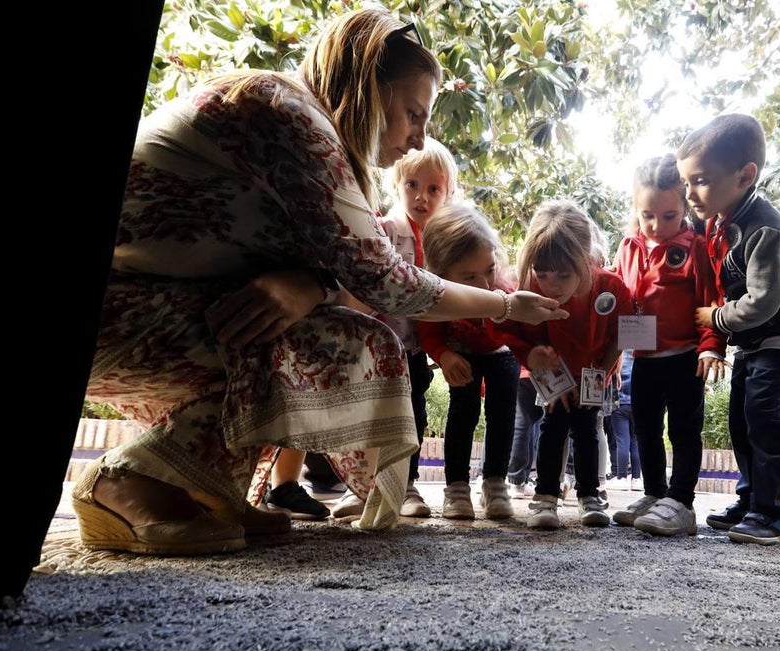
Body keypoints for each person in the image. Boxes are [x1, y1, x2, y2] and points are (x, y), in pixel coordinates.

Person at [74, 5, 566, 556]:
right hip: (120, 311)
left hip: (142, 306)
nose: (415, 140)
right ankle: (124, 482)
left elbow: (338, 272)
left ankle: (198, 486)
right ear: (365, 85)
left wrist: (313, 285)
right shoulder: (288, 113)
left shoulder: (306, 125)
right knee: (349, 344)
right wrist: (503, 304)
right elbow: (386, 283)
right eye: (412, 114)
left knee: (298, 321)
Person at [684, 113, 780, 545]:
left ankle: (777, 513)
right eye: (686, 183)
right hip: (755, 341)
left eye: (701, 181)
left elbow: (764, 300)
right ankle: (752, 500)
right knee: (743, 419)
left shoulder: (764, 228)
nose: (690, 194)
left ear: (746, 176)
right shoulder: (724, 222)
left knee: (768, 417)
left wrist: (717, 319)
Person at [500, 200, 636, 530]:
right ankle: (546, 496)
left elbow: (624, 330)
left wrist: (602, 371)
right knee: (553, 427)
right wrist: (544, 373)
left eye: (564, 275)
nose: (552, 285)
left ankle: (589, 495)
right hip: (553, 377)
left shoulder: (610, 287)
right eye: (542, 274)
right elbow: (512, 331)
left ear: (586, 261)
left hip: (592, 373)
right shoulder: (528, 288)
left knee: (588, 430)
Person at [612, 154, 727, 537]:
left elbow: (710, 301)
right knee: (645, 426)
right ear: (636, 208)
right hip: (642, 357)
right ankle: (654, 494)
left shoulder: (695, 246)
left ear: (682, 208)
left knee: (683, 429)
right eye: (647, 216)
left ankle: (681, 501)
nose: (657, 226)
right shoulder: (628, 248)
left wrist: (711, 345)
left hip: (684, 358)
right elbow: (619, 298)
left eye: (668, 216)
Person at [419, 202, 523, 521]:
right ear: (442, 274)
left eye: (489, 270)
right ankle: (457, 487)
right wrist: (444, 355)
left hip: (501, 355)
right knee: (462, 416)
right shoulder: (433, 293)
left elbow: (519, 327)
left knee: (503, 416)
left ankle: (495, 482)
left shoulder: (504, 288)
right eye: (469, 277)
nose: (486, 286)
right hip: (461, 354)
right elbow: (428, 328)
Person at [379, 137, 459, 517]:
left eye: (433, 189)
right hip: (380, 343)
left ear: (448, 194)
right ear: (397, 184)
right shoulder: (387, 232)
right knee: (373, 412)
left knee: (413, 413)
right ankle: (362, 487)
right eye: (412, 185)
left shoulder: (446, 241)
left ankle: (407, 486)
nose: (421, 197)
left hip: (415, 349)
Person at [606, 349, 642, 491]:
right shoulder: (638, 356)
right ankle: (637, 478)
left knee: (622, 441)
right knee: (635, 441)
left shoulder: (618, 355)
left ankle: (621, 477)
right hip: (637, 403)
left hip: (620, 402)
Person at [505, 366, 542, 498]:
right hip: (545, 373)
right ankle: (522, 479)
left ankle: (516, 480)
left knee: (522, 423)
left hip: (523, 370)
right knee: (531, 425)